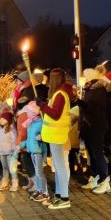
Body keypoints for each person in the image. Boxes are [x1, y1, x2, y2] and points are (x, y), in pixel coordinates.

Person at [39, 68, 76, 210]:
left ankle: (64, 198)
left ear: (53, 80)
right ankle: (60, 195)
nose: (46, 81)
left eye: (48, 79)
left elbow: (55, 114)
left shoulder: (60, 95)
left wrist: (42, 106)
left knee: (60, 167)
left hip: (57, 135)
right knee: (59, 166)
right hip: (56, 135)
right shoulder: (59, 94)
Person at [78, 68, 110, 193]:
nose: (84, 78)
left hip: (96, 126)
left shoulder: (99, 90)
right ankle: (95, 178)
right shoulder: (89, 89)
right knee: (92, 154)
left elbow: (97, 109)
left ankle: (104, 180)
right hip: (88, 126)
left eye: (85, 76)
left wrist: (82, 103)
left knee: (97, 153)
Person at [18, 102, 49, 203]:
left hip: (38, 151)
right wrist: (21, 145)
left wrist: (42, 137)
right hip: (32, 151)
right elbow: (29, 139)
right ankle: (39, 190)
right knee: (37, 172)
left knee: (39, 173)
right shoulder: (31, 123)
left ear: (34, 112)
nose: (27, 113)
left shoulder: (41, 123)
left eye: (29, 111)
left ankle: (45, 193)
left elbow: (46, 135)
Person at [0, 109, 18, 190]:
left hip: (10, 153)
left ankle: (15, 183)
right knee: (4, 168)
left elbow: (14, 141)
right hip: (1, 153)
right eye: (1, 118)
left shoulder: (12, 131)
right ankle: (5, 182)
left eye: (3, 119)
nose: (1, 120)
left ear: (8, 120)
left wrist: (14, 151)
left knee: (12, 169)